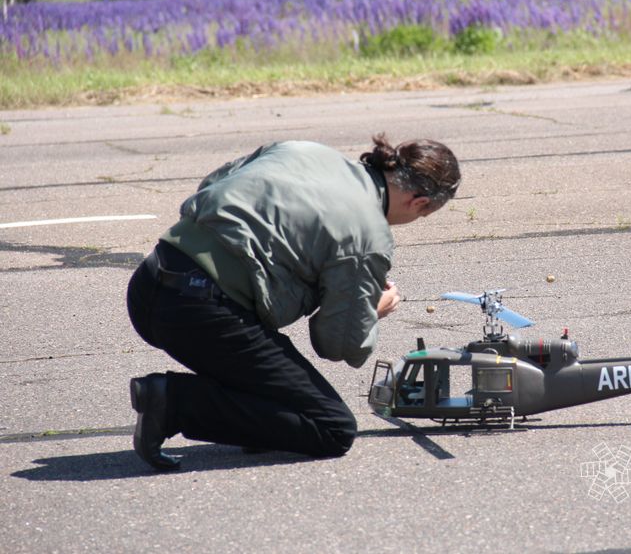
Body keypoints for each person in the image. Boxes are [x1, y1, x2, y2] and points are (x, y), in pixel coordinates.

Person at [126, 135, 460, 470]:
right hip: (199, 314)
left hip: (150, 283)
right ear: (419, 202)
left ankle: (261, 430)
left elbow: (213, 185)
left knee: (272, 372)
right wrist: (374, 309)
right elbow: (338, 343)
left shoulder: (301, 149)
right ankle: (172, 402)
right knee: (332, 427)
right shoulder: (368, 235)